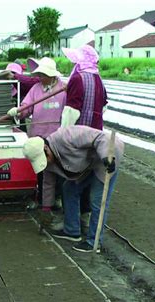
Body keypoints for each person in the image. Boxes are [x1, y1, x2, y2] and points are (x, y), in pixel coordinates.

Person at [23, 126, 124, 252]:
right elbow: (48, 183)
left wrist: (106, 156)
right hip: (87, 163)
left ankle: (94, 242)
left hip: (107, 155)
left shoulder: (67, 136)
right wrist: (46, 208)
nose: (46, 162)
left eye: (45, 158)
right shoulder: (49, 161)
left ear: (45, 148)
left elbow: (102, 138)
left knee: (97, 200)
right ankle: (72, 231)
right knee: (69, 188)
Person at [6, 57, 66, 211]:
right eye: (39, 75)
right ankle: (41, 200)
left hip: (56, 136)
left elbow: (69, 112)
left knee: (57, 170)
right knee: (41, 170)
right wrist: (18, 112)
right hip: (38, 135)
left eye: (43, 75)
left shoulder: (63, 89)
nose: (41, 78)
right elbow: (27, 106)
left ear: (52, 75)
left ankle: (57, 198)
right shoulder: (36, 89)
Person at [61, 45, 108, 227]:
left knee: (70, 181)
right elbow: (103, 105)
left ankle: (71, 224)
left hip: (79, 138)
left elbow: (71, 111)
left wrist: (63, 135)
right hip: (96, 136)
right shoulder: (98, 78)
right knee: (88, 177)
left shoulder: (78, 79)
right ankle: (85, 214)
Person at [5, 61, 40, 132]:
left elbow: (27, 106)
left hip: (19, 117)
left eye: (14, 73)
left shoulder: (24, 86)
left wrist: (19, 111)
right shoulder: (2, 88)